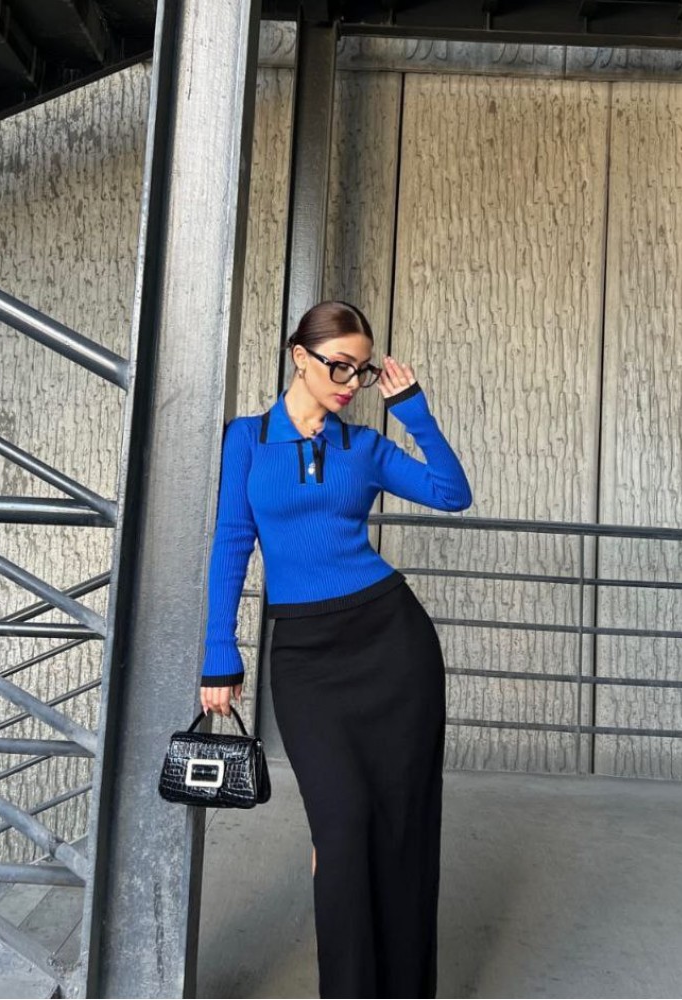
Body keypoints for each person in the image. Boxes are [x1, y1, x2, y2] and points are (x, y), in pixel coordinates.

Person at [198, 300, 473, 998]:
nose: (352, 382)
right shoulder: (247, 440)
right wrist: (219, 652)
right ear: (300, 356)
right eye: (340, 366)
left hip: (392, 647)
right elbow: (231, 544)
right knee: (342, 825)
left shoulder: (366, 448)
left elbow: (452, 493)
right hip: (305, 659)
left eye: (363, 370)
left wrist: (412, 410)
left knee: (402, 826)